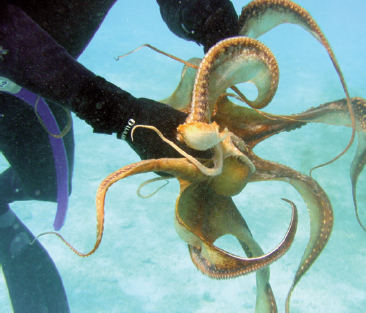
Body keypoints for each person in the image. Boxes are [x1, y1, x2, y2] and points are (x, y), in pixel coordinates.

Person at [0, 0, 238, 311]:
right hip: (23, 63)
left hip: (29, 84)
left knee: (45, 185)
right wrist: (119, 113)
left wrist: (201, 16)